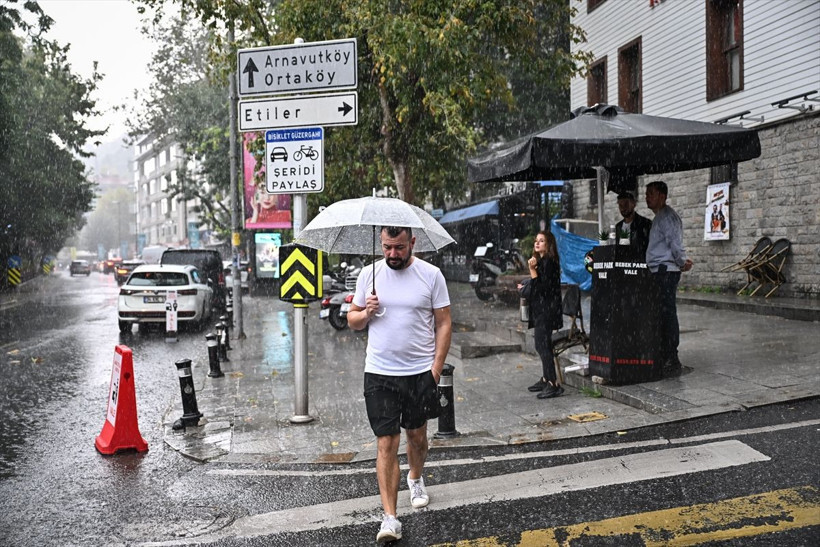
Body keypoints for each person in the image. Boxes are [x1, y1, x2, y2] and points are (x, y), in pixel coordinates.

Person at [347, 225, 452, 544]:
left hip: (420, 373)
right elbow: (352, 320)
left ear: (413, 243)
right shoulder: (369, 275)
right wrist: (367, 312)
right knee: (386, 442)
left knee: (417, 436)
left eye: (399, 247)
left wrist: (435, 370)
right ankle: (390, 517)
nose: (392, 254)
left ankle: (416, 477)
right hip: (379, 373)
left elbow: (444, 322)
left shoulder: (431, 275)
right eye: (387, 247)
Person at [645, 181, 693, 375]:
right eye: (646, 194)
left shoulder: (667, 218)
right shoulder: (659, 217)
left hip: (666, 271)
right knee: (661, 314)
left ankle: (671, 357)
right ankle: (664, 353)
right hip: (659, 271)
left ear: (662, 197)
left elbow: (675, 244)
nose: (647, 197)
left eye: (651, 194)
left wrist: (682, 262)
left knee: (667, 314)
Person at [518, 231, 564, 399]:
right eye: (536, 240)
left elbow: (542, 289)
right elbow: (537, 285)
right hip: (542, 311)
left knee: (543, 346)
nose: (537, 243)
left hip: (547, 312)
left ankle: (553, 384)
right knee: (541, 345)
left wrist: (532, 270)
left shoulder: (550, 263)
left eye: (542, 241)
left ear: (548, 244)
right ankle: (546, 379)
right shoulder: (542, 262)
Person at [615, 190, 652, 258]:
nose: (623, 208)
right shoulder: (618, 227)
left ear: (633, 204)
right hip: (622, 265)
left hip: (640, 264)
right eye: (620, 205)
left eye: (626, 204)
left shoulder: (645, 224)